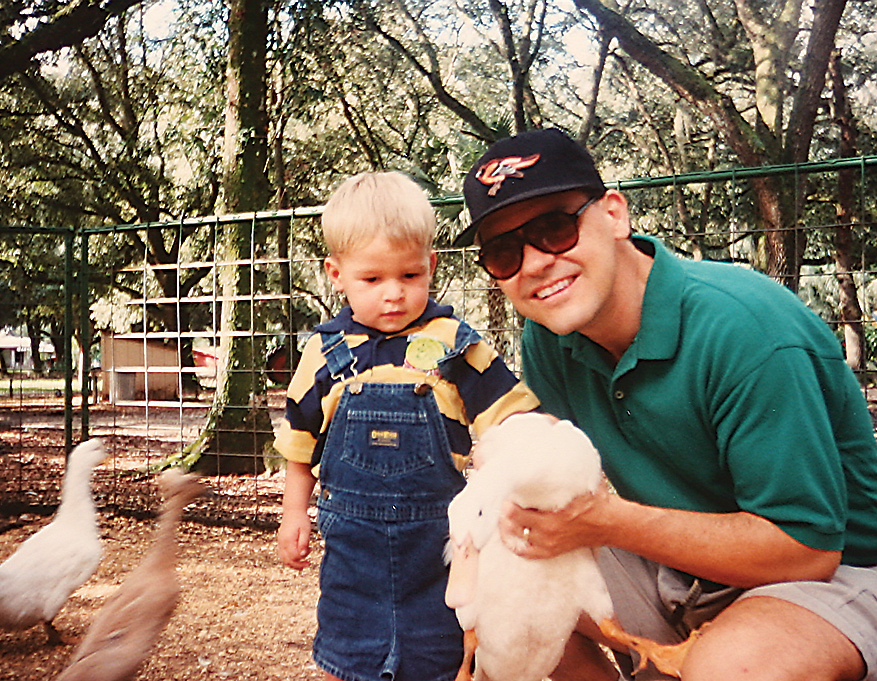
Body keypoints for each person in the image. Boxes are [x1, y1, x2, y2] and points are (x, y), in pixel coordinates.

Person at [453, 127, 877, 681]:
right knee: (492, 573)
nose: (533, 264)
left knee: (736, 667)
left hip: (831, 573)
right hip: (680, 566)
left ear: (614, 215)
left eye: (555, 228)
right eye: (504, 251)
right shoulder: (550, 335)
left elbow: (806, 550)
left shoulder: (742, 329)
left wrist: (606, 521)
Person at [275, 171, 540, 681]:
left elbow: (513, 417)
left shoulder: (455, 343)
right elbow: (300, 446)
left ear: (431, 266)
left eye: (410, 276)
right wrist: (294, 514)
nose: (393, 294)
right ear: (336, 273)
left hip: (439, 549)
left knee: (443, 656)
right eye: (372, 280)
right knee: (346, 655)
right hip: (353, 556)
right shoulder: (323, 352)